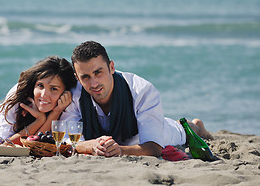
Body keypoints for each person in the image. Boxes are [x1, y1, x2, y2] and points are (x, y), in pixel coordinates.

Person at [60, 41, 213, 157]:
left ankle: (196, 126)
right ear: (77, 78)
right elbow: (65, 141)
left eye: (98, 72)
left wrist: (120, 150)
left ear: (111, 67)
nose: (93, 83)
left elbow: (154, 147)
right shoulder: (75, 95)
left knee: (181, 131)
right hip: (115, 134)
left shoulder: (142, 90)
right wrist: (90, 145)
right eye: (85, 77)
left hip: (144, 136)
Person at [0, 56, 77, 147]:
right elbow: (5, 145)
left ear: (65, 91)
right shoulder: (19, 96)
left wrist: (56, 111)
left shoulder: (67, 103)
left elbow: (37, 139)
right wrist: (40, 120)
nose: (44, 95)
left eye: (54, 89)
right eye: (40, 86)